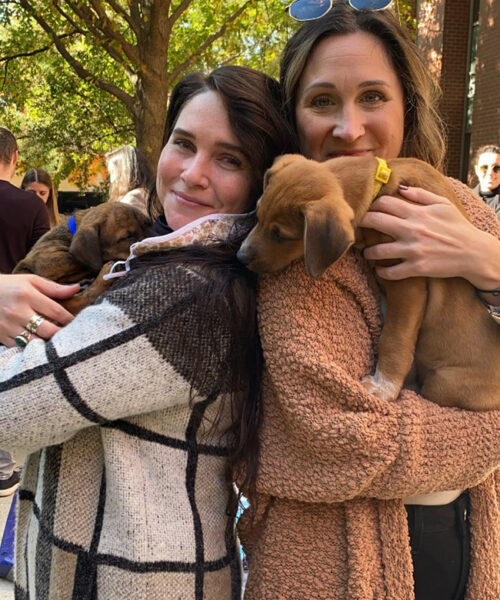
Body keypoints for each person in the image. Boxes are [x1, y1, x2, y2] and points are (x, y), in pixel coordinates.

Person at [0, 65, 295, 599]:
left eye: (229, 159)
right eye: (183, 144)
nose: (192, 173)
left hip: (131, 582)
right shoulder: (166, 259)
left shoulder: (188, 294)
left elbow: (8, 411)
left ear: (261, 178)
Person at [238, 3, 500, 600]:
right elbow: (345, 441)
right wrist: (489, 438)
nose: (350, 128)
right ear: (293, 114)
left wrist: (486, 260)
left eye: (374, 97)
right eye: (323, 100)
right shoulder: (295, 249)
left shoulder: (461, 202)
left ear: (407, 105)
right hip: (335, 572)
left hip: (471, 555)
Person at [0, 127, 50, 498]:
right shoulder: (31, 206)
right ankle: (3, 471)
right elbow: (43, 265)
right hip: (15, 320)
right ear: (15, 158)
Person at [105, 144, 154, 215]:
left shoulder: (133, 199)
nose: (111, 180)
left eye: (112, 172)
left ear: (124, 171)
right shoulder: (149, 195)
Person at [472, 144, 500, 218]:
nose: (490, 173)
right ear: (476, 169)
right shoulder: (464, 199)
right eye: (484, 167)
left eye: (496, 168)